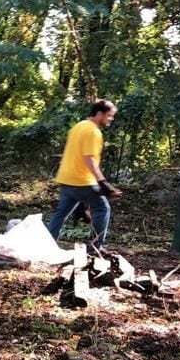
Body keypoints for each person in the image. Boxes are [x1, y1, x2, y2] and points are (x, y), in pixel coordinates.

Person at [45, 99, 122, 250]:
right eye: (109, 115)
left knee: (61, 214)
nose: (111, 119)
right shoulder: (93, 131)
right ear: (99, 114)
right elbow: (89, 158)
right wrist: (102, 181)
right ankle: (95, 246)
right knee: (102, 208)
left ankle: (47, 243)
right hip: (82, 180)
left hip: (66, 178)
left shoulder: (78, 126)